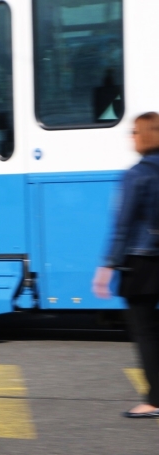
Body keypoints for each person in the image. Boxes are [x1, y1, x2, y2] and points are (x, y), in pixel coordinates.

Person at [94, 111, 159, 418]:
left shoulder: (136, 175)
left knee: (145, 332)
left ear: (143, 136)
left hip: (142, 263)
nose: (130, 137)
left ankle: (155, 401)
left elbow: (122, 226)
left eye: (134, 132)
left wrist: (107, 266)